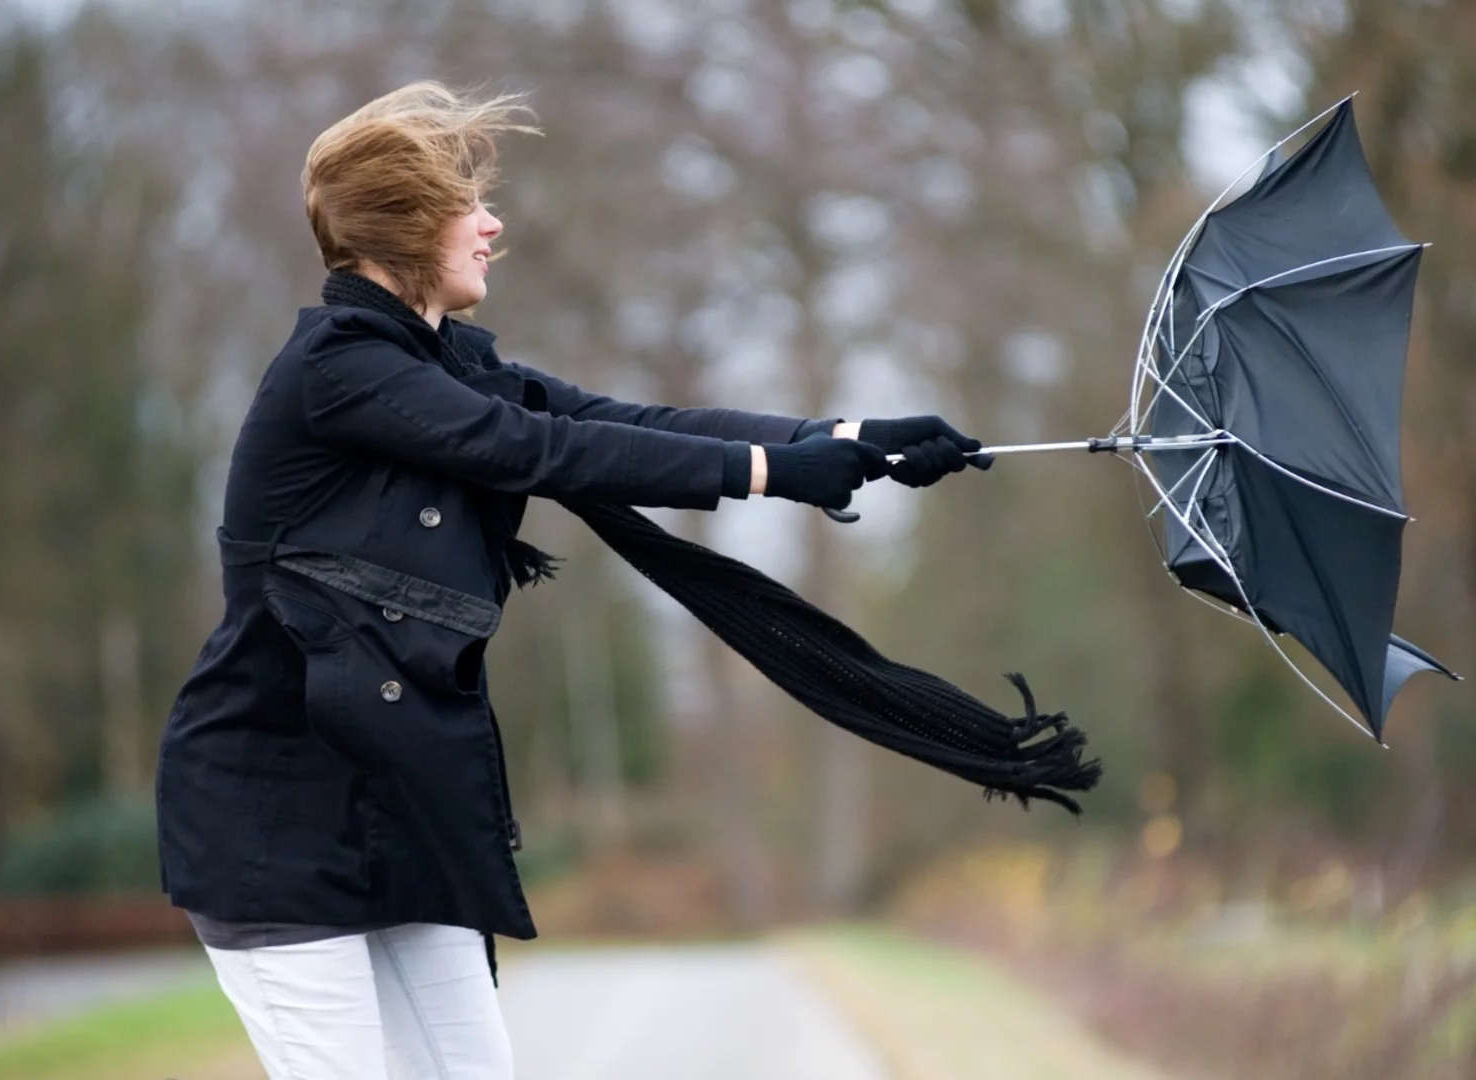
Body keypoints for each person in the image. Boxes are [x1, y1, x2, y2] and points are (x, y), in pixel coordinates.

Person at [154, 81, 989, 1080]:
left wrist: (844, 440)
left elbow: (620, 422)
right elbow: (536, 449)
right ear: (407, 226)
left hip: (401, 808)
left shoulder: (443, 362)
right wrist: (772, 475)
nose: (492, 224)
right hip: (275, 821)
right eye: (470, 205)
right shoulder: (338, 370)